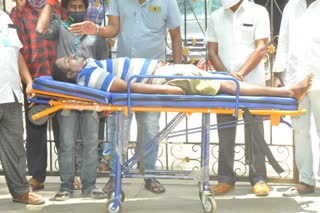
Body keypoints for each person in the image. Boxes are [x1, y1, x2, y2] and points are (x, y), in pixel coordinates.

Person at [69, 0, 183, 194]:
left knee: (149, 127)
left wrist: (178, 72)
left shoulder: (167, 2)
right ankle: (115, 176)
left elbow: (176, 35)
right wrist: (96, 29)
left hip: (152, 76)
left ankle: (149, 174)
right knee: (118, 129)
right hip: (122, 75)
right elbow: (113, 29)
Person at [36, 0, 108, 201]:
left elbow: (104, 64)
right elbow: (40, 29)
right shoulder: (60, 26)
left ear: (86, 8)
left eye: (80, 7)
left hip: (91, 98)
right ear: (65, 9)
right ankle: (66, 186)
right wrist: (50, 3)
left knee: (91, 143)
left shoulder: (95, 31)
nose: (77, 11)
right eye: (72, 7)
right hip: (66, 97)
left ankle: (90, 186)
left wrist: (105, 101)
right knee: (66, 143)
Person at [206, 0, 271, 196]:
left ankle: (258, 178)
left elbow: (261, 48)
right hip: (225, 84)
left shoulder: (258, 12)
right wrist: (227, 76)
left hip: (252, 82)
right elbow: (211, 51)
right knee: (225, 129)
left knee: (255, 130)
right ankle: (225, 178)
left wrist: (240, 74)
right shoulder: (216, 17)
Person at [51, 55, 312, 103]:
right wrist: (163, 90)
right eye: (66, 61)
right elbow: (121, 86)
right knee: (226, 85)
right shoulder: (88, 76)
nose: (71, 56)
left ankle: (287, 91)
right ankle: (287, 92)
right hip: (161, 79)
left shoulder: (88, 66)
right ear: (71, 74)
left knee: (222, 81)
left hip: (162, 73)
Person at [10, 0, 61, 192]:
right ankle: (37, 177)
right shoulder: (18, 12)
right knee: (35, 129)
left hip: (59, 79)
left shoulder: (56, 8)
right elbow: (17, 49)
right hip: (34, 79)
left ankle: (68, 175)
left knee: (63, 129)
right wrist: (28, 81)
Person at [273, 0, 320, 197]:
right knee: (300, 131)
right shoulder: (292, 6)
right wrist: (277, 74)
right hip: (295, 80)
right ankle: (306, 179)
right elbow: (283, 41)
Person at [0, 9, 45, 205]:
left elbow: (16, 53)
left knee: (15, 148)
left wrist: (28, 81)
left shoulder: (5, 17)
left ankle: (20, 192)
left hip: (11, 93)